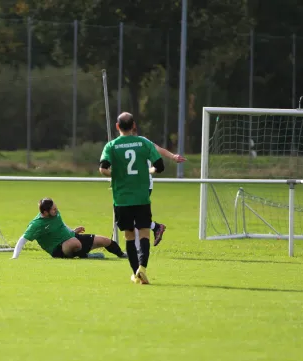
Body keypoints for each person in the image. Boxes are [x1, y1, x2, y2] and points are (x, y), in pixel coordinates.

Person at [99, 112, 164, 284]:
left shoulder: (111, 146)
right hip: (142, 197)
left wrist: (117, 175)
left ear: (117, 126)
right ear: (134, 125)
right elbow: (160, 166)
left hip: (122, 198)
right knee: (144, 233)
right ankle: (142, 267)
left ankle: (136, 273)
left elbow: (103, 168)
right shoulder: (144, 143)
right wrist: (149, 171)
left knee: (129, 236)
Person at [11, 198, 127, 260]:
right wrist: (15, 257)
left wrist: (73, 231)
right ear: (45, 212)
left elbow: (62, 224)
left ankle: (122, 255)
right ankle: (85, 255)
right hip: (58, 249)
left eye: (56, 208)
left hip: (71, 237)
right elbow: (22, 239)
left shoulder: (55, 214)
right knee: (74, 243)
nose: (56, 211)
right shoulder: (36, 225)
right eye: (53, 210)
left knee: (105, 241)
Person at [133, 126, 187, 247]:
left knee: (135, 217)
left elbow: (158, 149)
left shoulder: (143, 141)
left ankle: (137, 249)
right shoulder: (121, 143)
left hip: (144, 185)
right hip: (130, 185)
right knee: (133, 216)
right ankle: (156, 227)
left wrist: (173, 156)